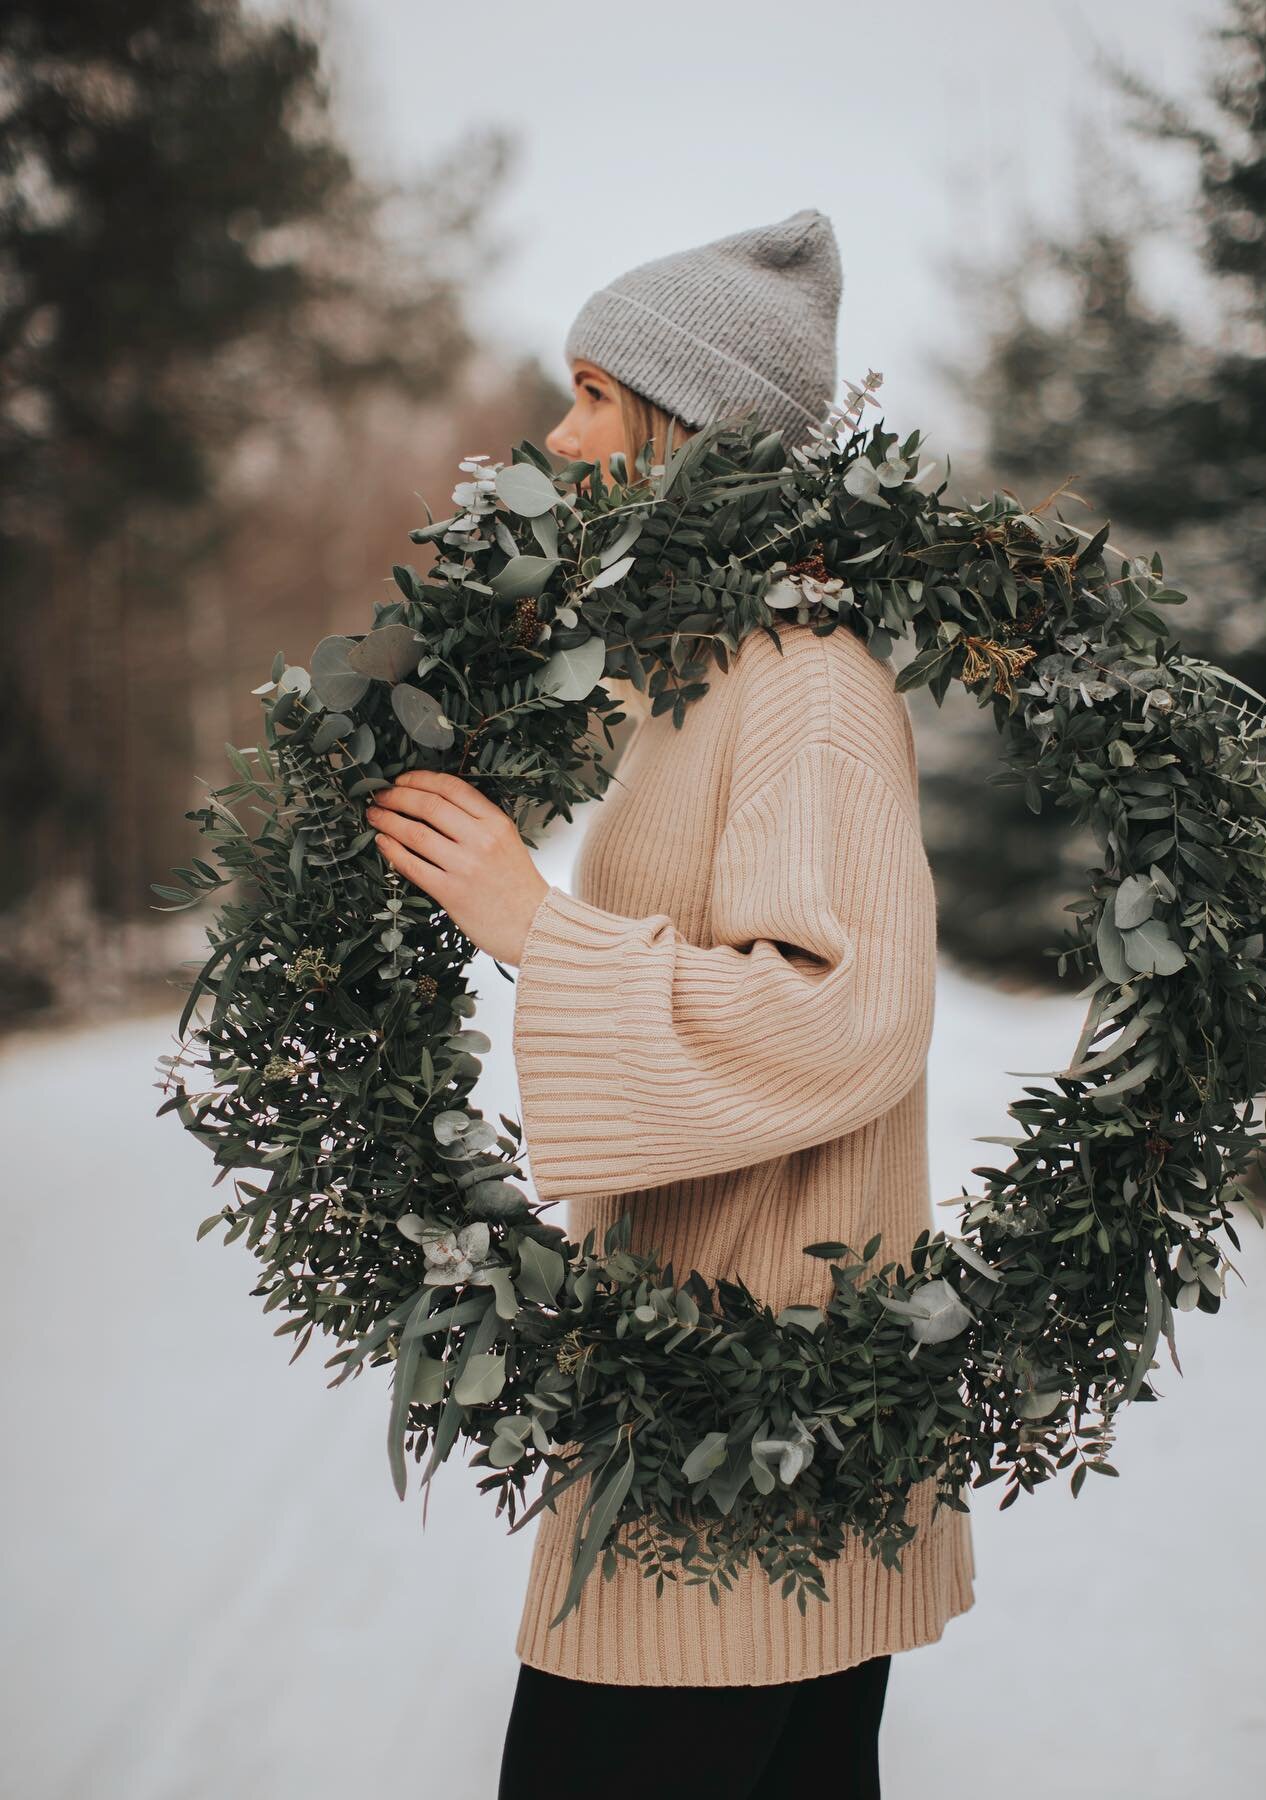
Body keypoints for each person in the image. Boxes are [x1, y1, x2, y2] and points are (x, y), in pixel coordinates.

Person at [364, 207, 976, 1800]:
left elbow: (850, 1015)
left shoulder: (805, 680)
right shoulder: (710, 673)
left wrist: (535, 930)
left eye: (589, 398)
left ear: (686, 430)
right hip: (720, 1419)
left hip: (744, 1430)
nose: (555, 438)